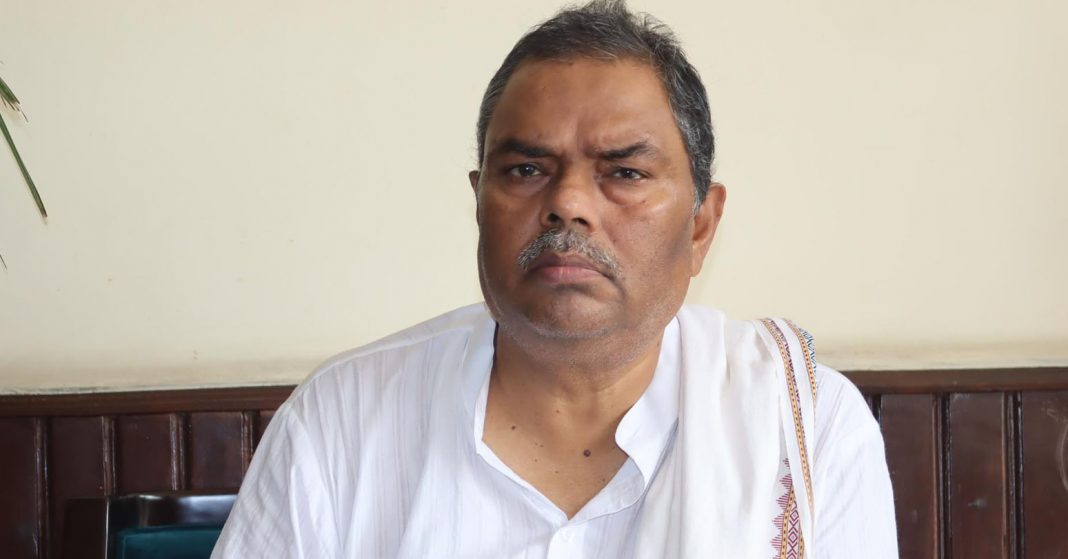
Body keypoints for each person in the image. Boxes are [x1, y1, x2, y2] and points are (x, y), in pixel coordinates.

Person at [212, 1, 897, 557]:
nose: (567, 203)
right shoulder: (339, 422)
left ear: (700, 226)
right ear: (479, 203)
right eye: (526, 170)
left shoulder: (804, 430)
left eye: (623, 172)